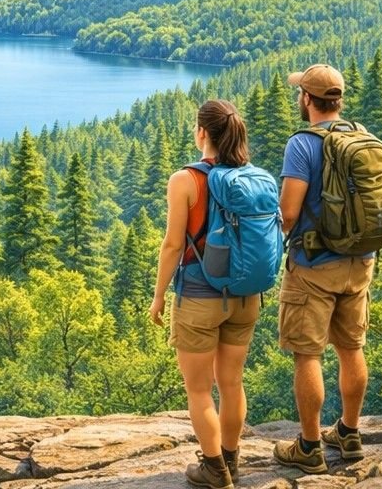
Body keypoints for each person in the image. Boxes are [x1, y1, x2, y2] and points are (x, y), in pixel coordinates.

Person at [272, 64, 374, 475]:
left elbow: (288, 213)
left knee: (307, 353)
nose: (299, 97)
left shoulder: (302, 144)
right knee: (351, 347)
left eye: (300, 92)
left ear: (308, 99)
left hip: (314, 266)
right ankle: (349, 432)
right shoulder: (362, 135)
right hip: (360, 262)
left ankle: (310, 446)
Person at [150, 99, 258, 489]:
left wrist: (159, 296)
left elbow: (172, 246)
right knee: (232, 383)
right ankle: (231, 460)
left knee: (199, 389)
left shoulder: (185, 180)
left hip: (199, 297)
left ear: (202, 133)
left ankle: (214, 470)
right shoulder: (249, 176)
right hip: (245, 296)